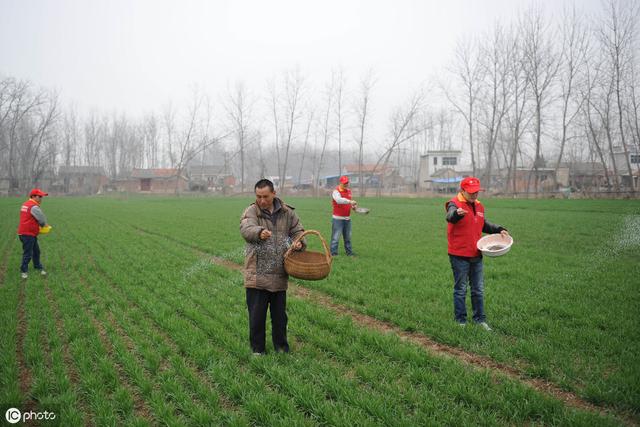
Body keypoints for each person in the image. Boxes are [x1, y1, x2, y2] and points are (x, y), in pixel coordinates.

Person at [240, 179, 305, 355]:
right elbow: (246, 229)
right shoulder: (251, 211)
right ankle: (258, 351)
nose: (261, 200)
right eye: (258, 196)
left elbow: (298, 231)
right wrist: (259, 232)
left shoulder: (288, 213)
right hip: (257, 273)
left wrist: (298, 243)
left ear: (274, 193)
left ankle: (282, 349)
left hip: (279, 273)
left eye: (265, 196)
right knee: (257, 317)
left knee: (280, 318)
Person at [445, 177, 509, 330]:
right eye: (471, 192)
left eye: (477, 192)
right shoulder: (454, 204)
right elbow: (450, 216)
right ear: (463, 191)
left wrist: (499, 229)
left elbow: (482, 224)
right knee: (460, 289)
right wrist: (456, 214)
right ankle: (461, 321)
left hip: (476, 254)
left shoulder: (479, 206)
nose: (474, 195)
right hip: (459, 254)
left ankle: (480, 320)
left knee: (478, 289)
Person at [17, 188, 50, 279]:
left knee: (36, 251)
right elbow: (42, 219)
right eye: (39, 196)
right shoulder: (34, 207)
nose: (41, 198)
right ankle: (24, 270)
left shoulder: (25, 204)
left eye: (41, 197)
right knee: (28, 253)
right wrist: (44, 226)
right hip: (28, 233)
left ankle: (37, 266)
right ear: (33, 196)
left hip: (24, 233)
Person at [330, 175, 357, 256]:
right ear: (340, 183)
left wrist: (353, 207)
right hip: (338, 219)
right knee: (335, 238)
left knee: (348, 237)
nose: (346, 184)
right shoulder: (336, 191)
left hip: (347, 219)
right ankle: (333, 253)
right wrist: (350, 202)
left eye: (347, 183)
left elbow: (349, 204)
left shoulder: (348, 191)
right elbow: (338, 200)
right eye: (344, 183)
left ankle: (349, 253)